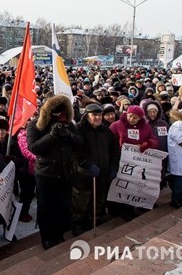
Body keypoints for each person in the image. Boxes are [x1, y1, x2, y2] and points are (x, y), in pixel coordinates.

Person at [27, 95, 84, 249]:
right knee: (46, 207)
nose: (60, 116)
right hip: (46, 174)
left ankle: (59, 234)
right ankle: (46, 237)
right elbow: (33, 148)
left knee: (63, 205)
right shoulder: (35, 125)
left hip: (65, 172)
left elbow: (80, 143)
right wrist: (51, 136)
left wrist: (69, 135)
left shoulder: (69, 125)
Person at [71, 104, 120, 236]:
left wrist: (113, 167)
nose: (97, 117)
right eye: (94, 115)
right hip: (83, 174)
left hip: (102, 173)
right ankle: (77, 224)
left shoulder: (106, 131)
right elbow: (75, 152)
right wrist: (87, 164)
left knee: (98, 200)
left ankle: (91, 220)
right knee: (81, 202)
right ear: (87, 116)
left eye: (99, 115)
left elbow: (115, 150)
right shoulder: (78, 130)